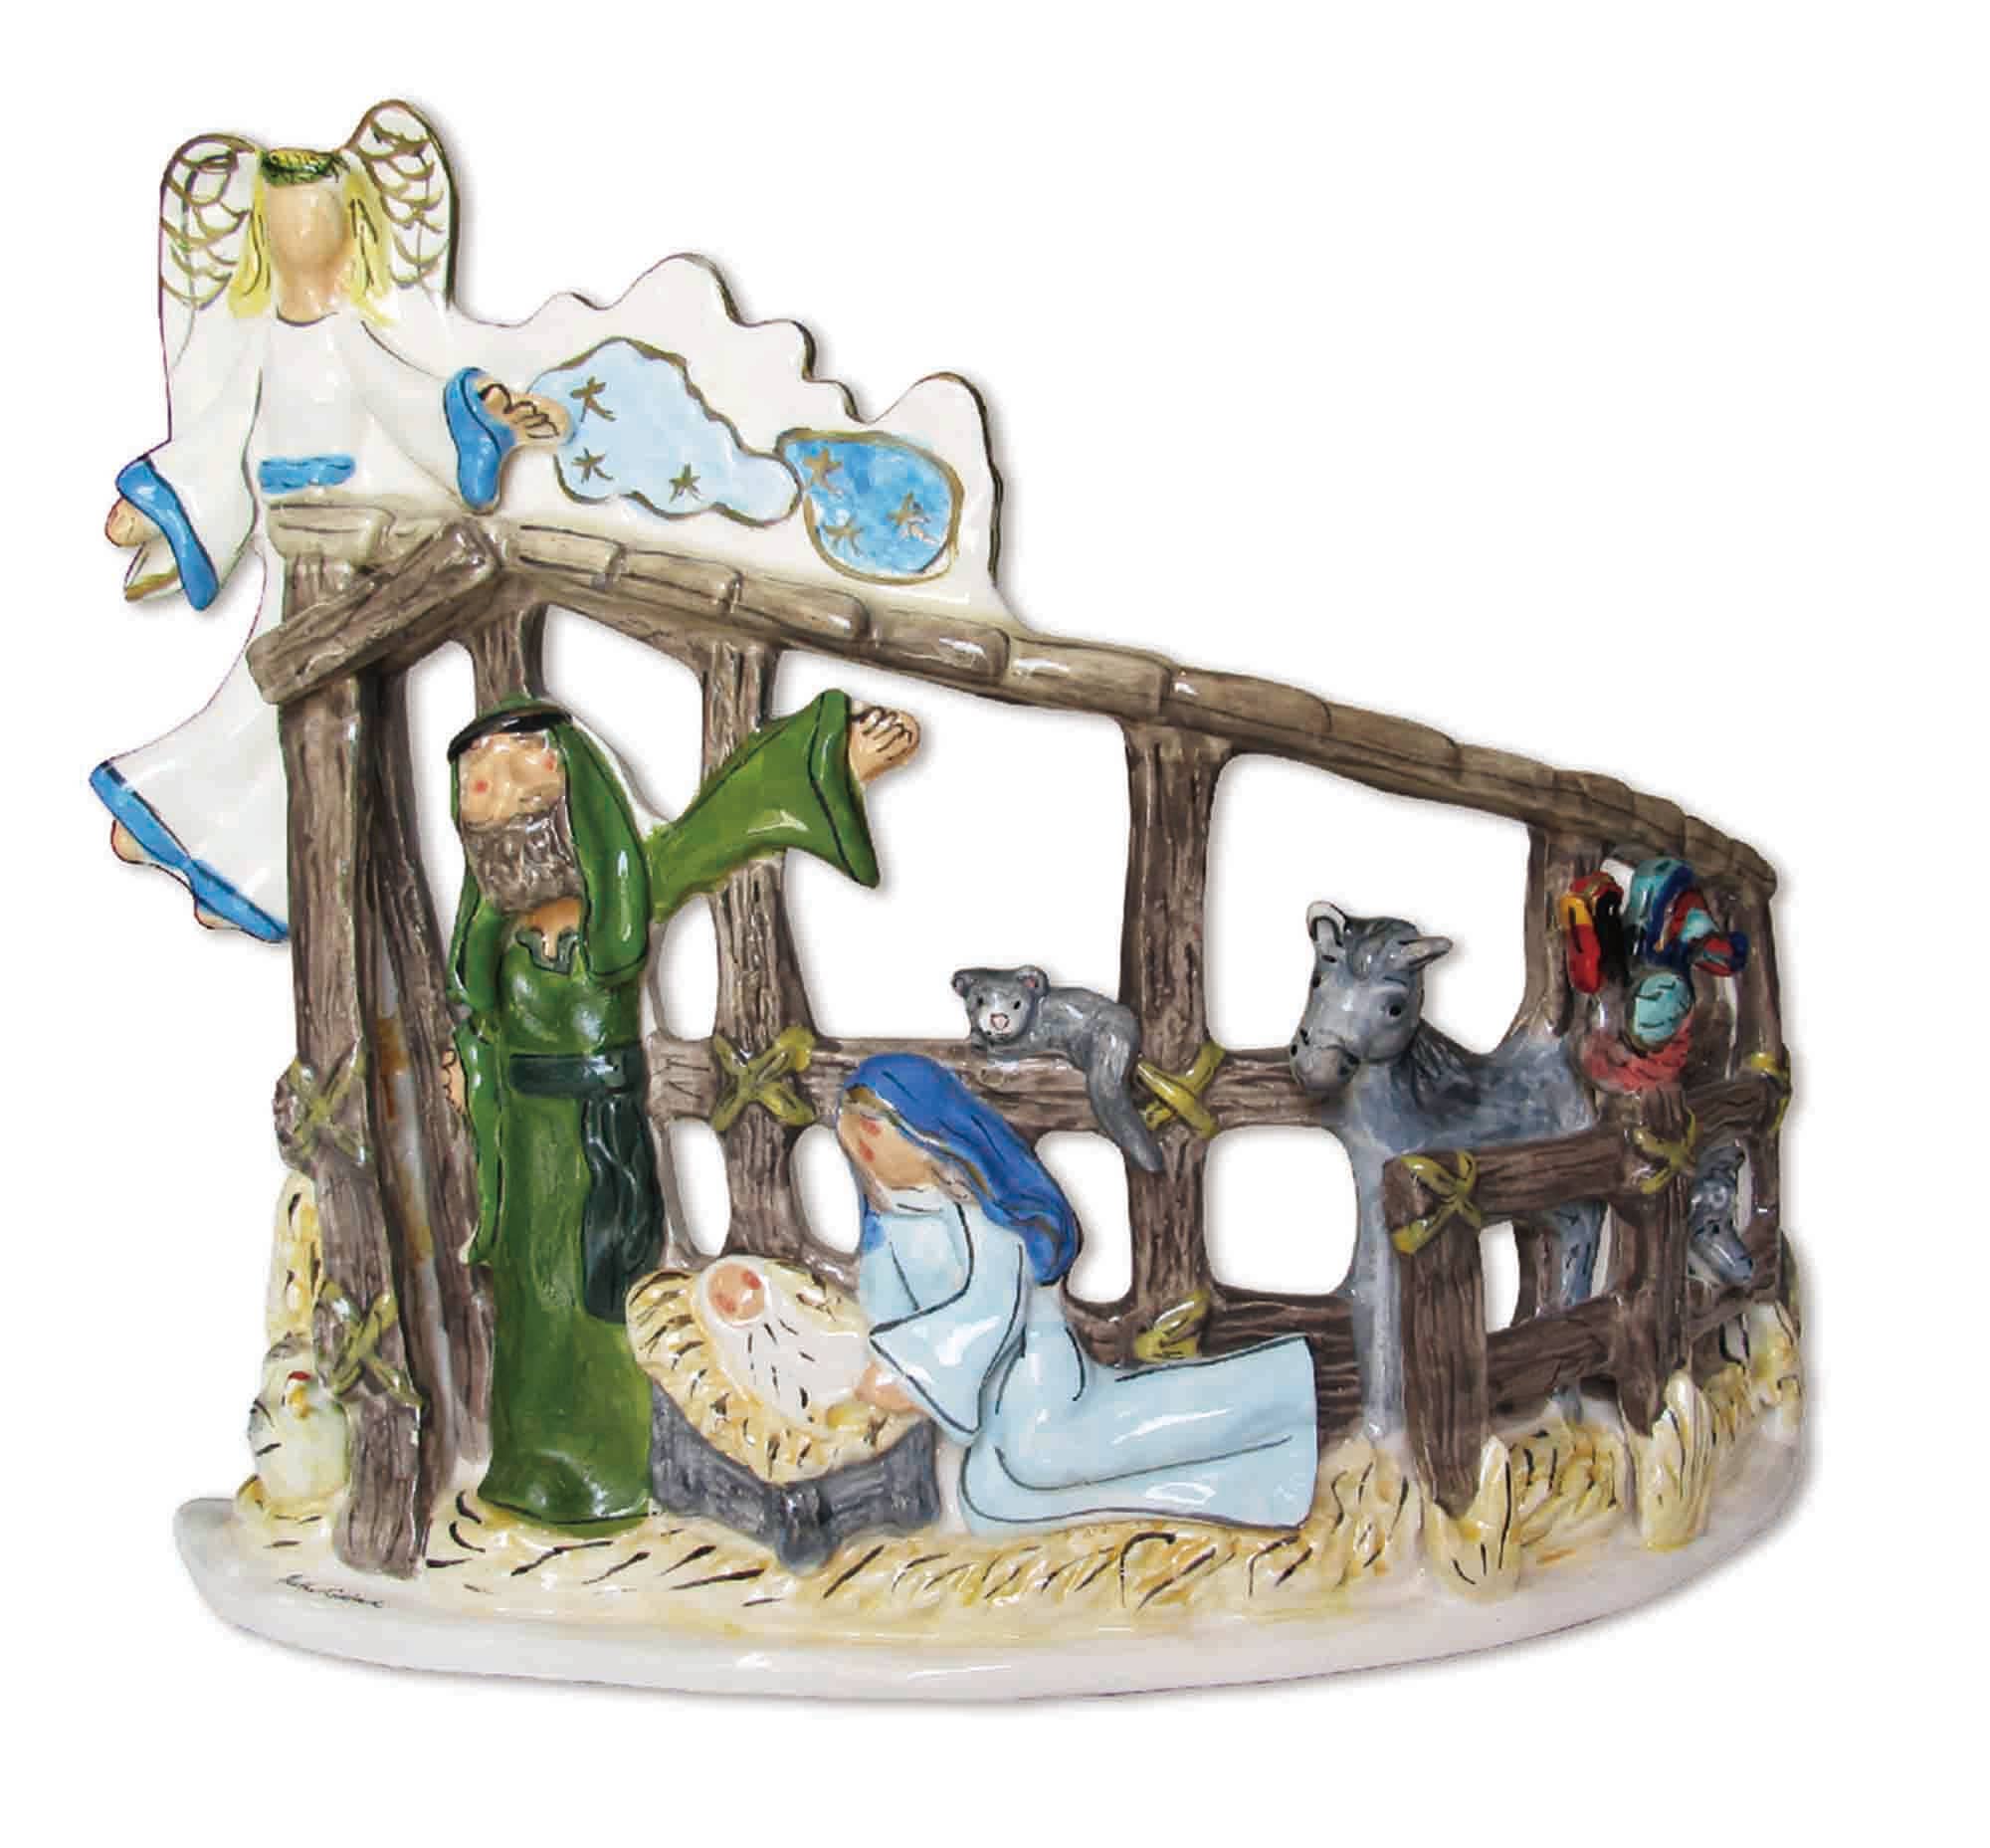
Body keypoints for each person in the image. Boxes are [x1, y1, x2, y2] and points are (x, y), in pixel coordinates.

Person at [446, 695, 919, 1533]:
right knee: (532, 1308)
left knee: (601, 1295)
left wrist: (836, 765)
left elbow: (723, 827)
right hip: (525, 1146)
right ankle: (530, 1471)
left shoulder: (626, 888)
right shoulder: (495, 938)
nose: (493, 795)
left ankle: (609, 1470)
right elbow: (481, 1026)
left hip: (599, 1138)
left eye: (521, 776)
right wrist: (471, 1075)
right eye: (477, 786)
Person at [97, 106, 565, 939]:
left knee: (289, 690)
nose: (299, 237)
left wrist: (475, 417)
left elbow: (410, 402)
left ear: (352, 232)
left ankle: (188, 828)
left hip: (348, 538)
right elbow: (217, 432)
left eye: (314, 221)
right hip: (289, 536)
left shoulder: (353, 335)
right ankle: (222, 853)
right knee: (283, 691)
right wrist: (163, 500)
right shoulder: (259, 342)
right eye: (283, 224)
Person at [837, 1054, 1319, 1533]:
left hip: (1032, 1371)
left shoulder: (984, 1216)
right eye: (852, 1133)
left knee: (1045, 1452)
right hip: (982, 1403)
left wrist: (912, 1370)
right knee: (995, 1503)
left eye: (874, 1130)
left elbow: (992, 1306)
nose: (864, 1148)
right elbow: (883, 1305)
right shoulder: (890, 1222)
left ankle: (1275, 1388)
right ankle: (1262, 1475)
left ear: (927, 1133)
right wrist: (884, 1356)